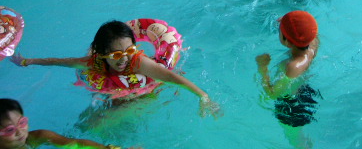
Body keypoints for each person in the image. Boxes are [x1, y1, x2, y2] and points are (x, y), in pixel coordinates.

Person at [10, 20, 219, 116]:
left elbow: (172, 78)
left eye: (129, 51)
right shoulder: (92, 62)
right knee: (93, 115)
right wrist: (28, 61)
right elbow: (61, 61)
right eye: (116, 55)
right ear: (101, 53)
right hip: (115, 86)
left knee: (105, 117)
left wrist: (203, 97)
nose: (124, 59)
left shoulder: (139, 62)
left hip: (146, 89)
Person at [256, 10, 320, 140]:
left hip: (291, 108)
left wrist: (263, 68)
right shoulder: (313, 44)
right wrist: (290, 23)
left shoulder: (293, 66)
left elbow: (272, 94)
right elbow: (307, 28)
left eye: (280, 31)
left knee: (295, 139)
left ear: (288, 42)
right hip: (304, 91)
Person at [0, 98, 137, 149]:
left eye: (22, 122)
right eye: (10, 130)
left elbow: (74, 144)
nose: (20, 132)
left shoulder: (37, 137)